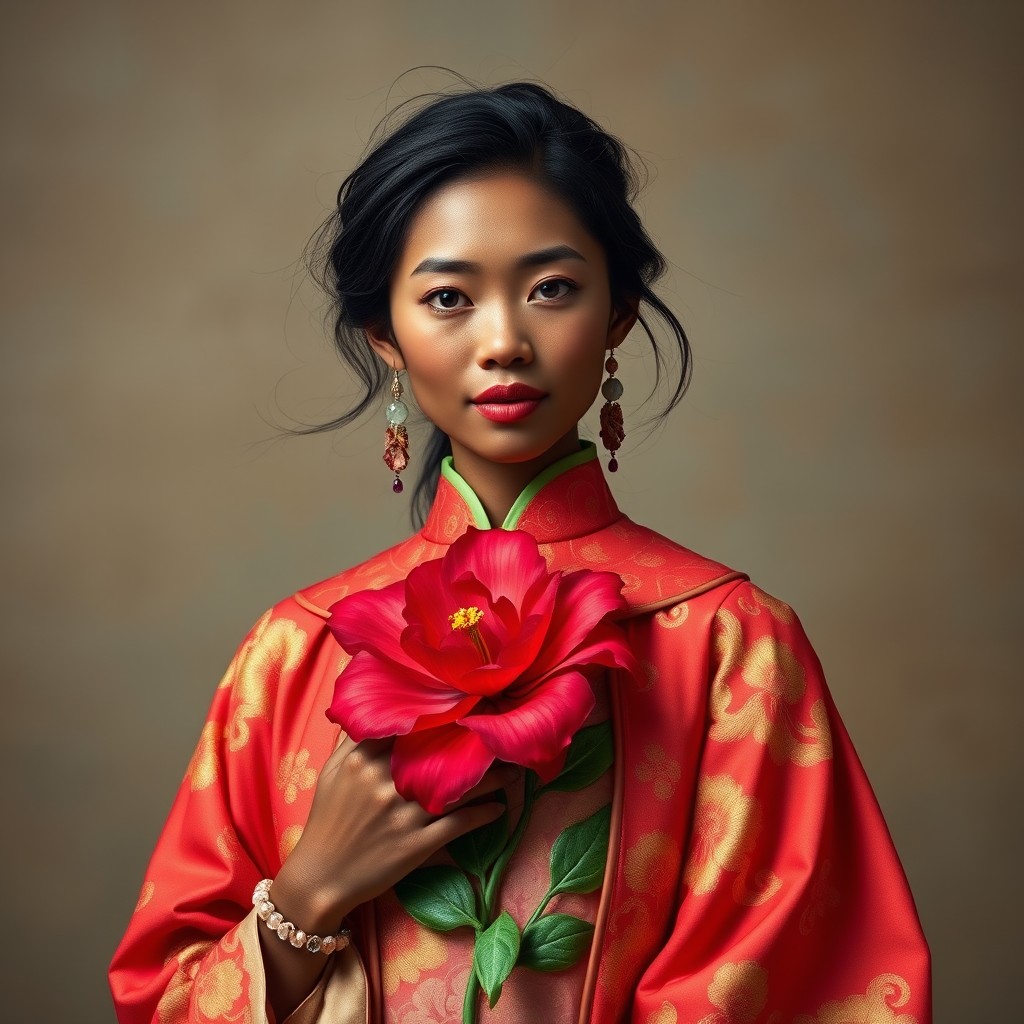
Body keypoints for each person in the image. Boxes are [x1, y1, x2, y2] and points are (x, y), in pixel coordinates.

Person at [109, 80, 931, 1024]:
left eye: (551, 289)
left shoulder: (731, 648)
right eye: (449, 298)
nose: (504, 341)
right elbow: (160, 1001)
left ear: (618, 312)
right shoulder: (291, 654)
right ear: (386, 335)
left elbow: (808, 990)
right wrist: (307, 899)